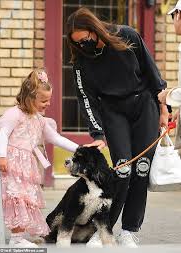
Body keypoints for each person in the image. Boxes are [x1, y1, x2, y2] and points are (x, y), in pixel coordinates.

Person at [66, 7, 168, 248]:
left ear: (94, 29)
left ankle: (130, 230)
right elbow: (85, 98)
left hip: (144, 105)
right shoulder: (81, 62)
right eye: (77, 43)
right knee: (122, 169)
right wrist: (97, 133)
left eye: (85, 39)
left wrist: (164, 110)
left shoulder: (127, 36)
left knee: (141, 168)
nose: (83, 45)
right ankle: (104, 230)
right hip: (112, 111)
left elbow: (152, 73)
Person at [0, 69, 79, 247]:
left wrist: (80, 149)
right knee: (16, 198)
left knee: (26, 199)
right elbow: (3, 134)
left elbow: (56, 139)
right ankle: (16, 239)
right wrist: (2, 156)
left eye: (49, 100)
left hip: (27, 165)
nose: (48, 104)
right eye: (43, 100)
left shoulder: (39, 120)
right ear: (29, 98)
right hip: (12, 163)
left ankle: (20, 236)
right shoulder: (15, 114)